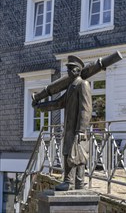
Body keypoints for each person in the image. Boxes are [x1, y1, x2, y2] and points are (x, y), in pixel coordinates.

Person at [32, 55, 92, 191]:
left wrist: (81, 130)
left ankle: (75, 183)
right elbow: (59, 102)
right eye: (68, 69)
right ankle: (71, 182)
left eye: (71, 69)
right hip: (70, 128)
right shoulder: (72, 87)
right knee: (69, 153)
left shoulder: (83, 84)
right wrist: (41, 107)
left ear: (77, 71)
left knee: (78, 156)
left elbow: (86, 109)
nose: (68, 72)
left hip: (77, 129)